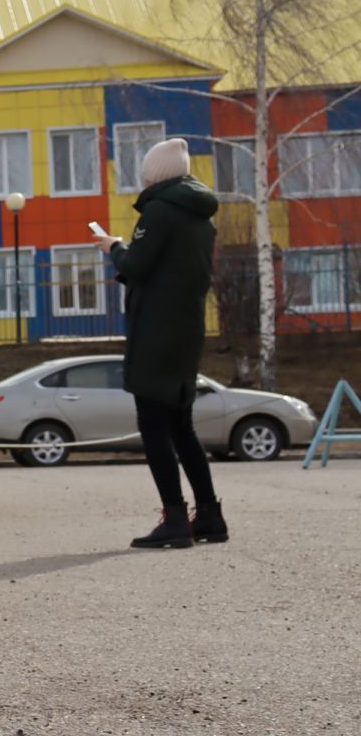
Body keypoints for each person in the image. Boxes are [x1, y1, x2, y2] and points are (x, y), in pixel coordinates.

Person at [92, 137, 224, 548]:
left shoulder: (160, 210)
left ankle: (174, 520)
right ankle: (209, 516)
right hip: (186, 331)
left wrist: (114, 247)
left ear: (156, 175)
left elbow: (137, 264)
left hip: (156, 333)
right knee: (182, 428)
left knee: (153, 426)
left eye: (146, 171)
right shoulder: (202, 216)